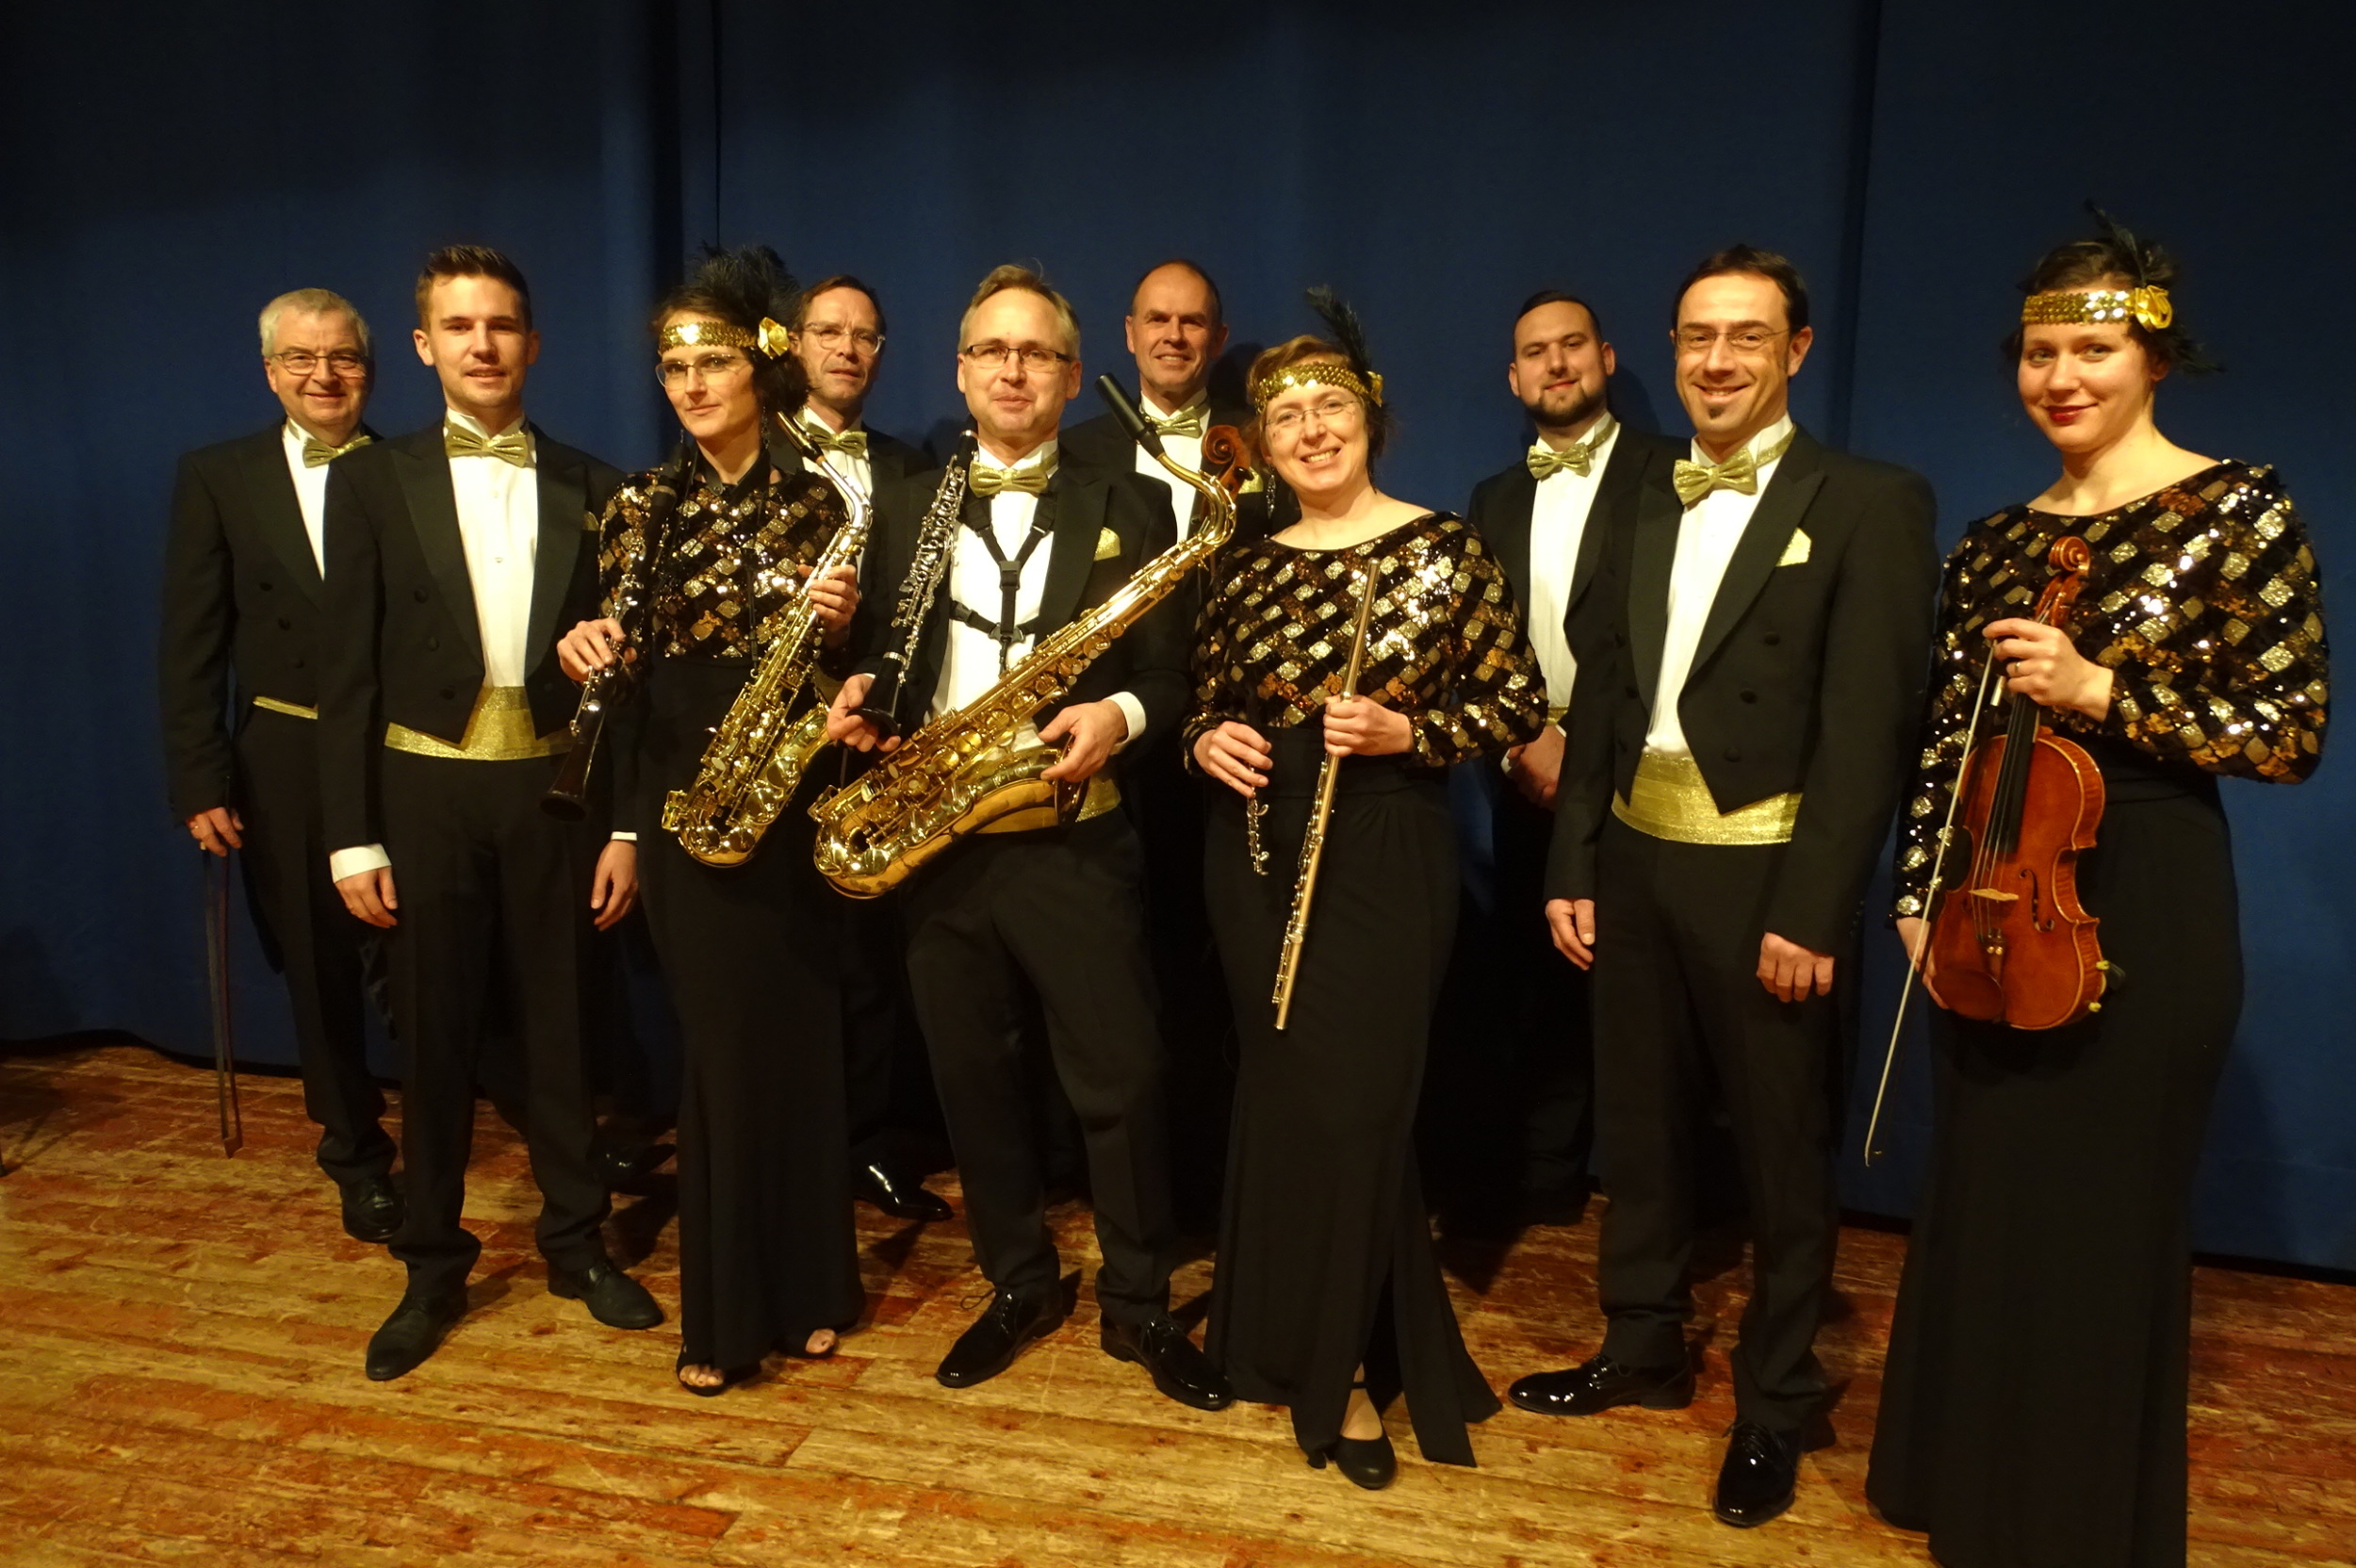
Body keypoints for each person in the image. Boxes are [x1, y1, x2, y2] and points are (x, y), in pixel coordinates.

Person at [1866, 217, 2328, 1568]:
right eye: (2039, 352)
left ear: (2155, 359)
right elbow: (1944, 737)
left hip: (2145, 891)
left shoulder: (2238, 508)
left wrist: (2102, 691)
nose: (2060, 377)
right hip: (1989, 894)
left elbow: (2288, 733)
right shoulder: (1996, 539)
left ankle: (2070, 1524)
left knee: (2099, 1218)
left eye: (2092, 350)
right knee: (1989, 1198)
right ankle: (1967, 1489)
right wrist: (1917, 887)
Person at [1509, 246, 1938, 1527]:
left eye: (1747, 335)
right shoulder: (1644, 490)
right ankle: (1641, 1342)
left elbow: (1869, 732)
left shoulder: (1870, 501)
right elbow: (1602, 698)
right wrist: (1575, 859)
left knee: (1780, 1149)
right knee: (1637, 1126)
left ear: (1796, 349)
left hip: (1766, 872)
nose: (1717, 359)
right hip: (1635, 856)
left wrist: (1814, 908)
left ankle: (1776, 1399)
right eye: (1698, 335)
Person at [823, 265, 1229, 1413]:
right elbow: (888, 656)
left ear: (1071, 372)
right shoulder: (905, 502)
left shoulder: (1134, 500)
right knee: (975, 1077)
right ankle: (1018, 1279)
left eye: (1036, 352)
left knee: (1122, 1076)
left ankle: (1139, 1299)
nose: (1012, 370)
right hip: (940, 838)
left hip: (1073, 831)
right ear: (960, 371)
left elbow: (1169, 671)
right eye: (991, 351)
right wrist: (862, 695)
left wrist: (1121, 715)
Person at [1191, 300, 1546, 1488]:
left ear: (1371, 417)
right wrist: (1206, 740)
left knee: (1355, 1109)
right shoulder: (1243, 563)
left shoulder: (1443, 547)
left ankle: (1335, 1361)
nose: (1309, 429)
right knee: (1287, 1099)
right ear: (1262, 441)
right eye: (1285, 414)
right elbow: (1204, 699)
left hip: (1386, 845)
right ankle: (1280, 1333)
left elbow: (1513, 703)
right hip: (1254, 847)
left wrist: (1411, 730)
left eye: (1329, 404)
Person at [319, 245, 656, 1380]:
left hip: (553, 790)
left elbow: (625, 681)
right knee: (435, 1032)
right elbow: (347, 676)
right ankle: (430, 1261)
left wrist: (625, 826)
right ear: (424, 345)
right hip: (422, 790)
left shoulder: (596, 484)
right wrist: (352, 835)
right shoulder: (372, 481)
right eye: (460, 326)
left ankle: (575, 1240)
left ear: (533, 342)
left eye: (501, 324)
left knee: (563, 1026)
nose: (482, 343)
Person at [558, 246, 867, 1396]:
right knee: (721, 1055)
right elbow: (625, 687)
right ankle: (725, 1312)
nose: (690, 384)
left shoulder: (827, 501)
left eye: (712, 362)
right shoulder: (638, 507)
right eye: (673, 366)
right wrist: (586, 653)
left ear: (761, 367)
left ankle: (813, 1288)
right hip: (685, 806)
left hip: (793, 795)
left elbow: (861, 672)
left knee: (799, 1041)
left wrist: (844, 639)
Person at [158, 287, 399, 1244]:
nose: (324, 375)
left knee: (427, 951)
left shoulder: (413, 471)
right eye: (301, 358)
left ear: (370, 369)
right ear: (270, 372)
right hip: (286, 754)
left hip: (400, 753)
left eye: (342, 357)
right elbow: (190, 643)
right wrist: (199, 777)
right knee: (316, 961)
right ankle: (354, 1150)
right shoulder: (218, 476)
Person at [1449, 289, 1681, 1227]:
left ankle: (1656, 1184)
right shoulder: (1493, 498)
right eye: (1536, 352)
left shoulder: (1675, 472)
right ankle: (1547, 1173)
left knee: (1643, 980)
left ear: (1606, 357)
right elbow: (1477, 639)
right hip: (1524, 763)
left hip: (1641, 764)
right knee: (1537, 974)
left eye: (1571, 344)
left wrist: (1591, 751)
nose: (1556, 363)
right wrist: (1520, 743)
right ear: (1515, 377)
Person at [1062, 258, 1254, 1231]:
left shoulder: (1261, 442)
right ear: (1128, 334)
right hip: (1106, 739)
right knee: (1104, 968)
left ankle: (1206, 1174)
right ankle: (1105, 1177)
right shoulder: (1075, 447)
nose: (1174, 336)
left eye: (1193, 322)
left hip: (1226, 743)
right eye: (1157, 320)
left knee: (1205, 966)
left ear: (1216, 339)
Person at [775, 271, 950, 1225]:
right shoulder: (748, 450)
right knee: (781, 954)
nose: (847, 350)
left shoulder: (916, 470)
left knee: (870, 952)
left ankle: (865, 1143)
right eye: (829, 332)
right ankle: (787, 1144)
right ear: (793, 342)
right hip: (773, 739)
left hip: (874, 737)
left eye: (866, 336)